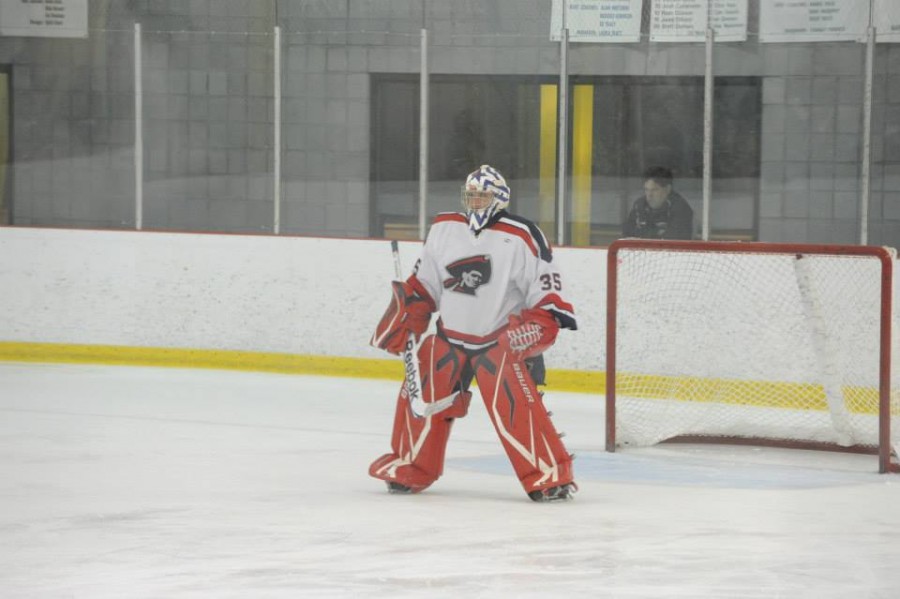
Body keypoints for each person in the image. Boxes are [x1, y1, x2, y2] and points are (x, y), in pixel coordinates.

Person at [368, 164, 579, 502]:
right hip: (449, 338)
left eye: (484, 195)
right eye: (472, 195)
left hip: (498, 343)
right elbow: (425, 284)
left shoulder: (523, 235)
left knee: (515, 406)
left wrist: (539, 324)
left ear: (500, 197)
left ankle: (549, 476)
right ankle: (410, 467)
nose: (477, 201)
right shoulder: (445, 229)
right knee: (422, 388)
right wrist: (411, 310)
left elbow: (547, 291)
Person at [622, 166, 694, 240]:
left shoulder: (681, 209)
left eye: (654, 190)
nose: (649, 195)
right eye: (646, 190)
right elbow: (627, 235)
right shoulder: (639, 205)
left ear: (668, 189)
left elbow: (676, 242)